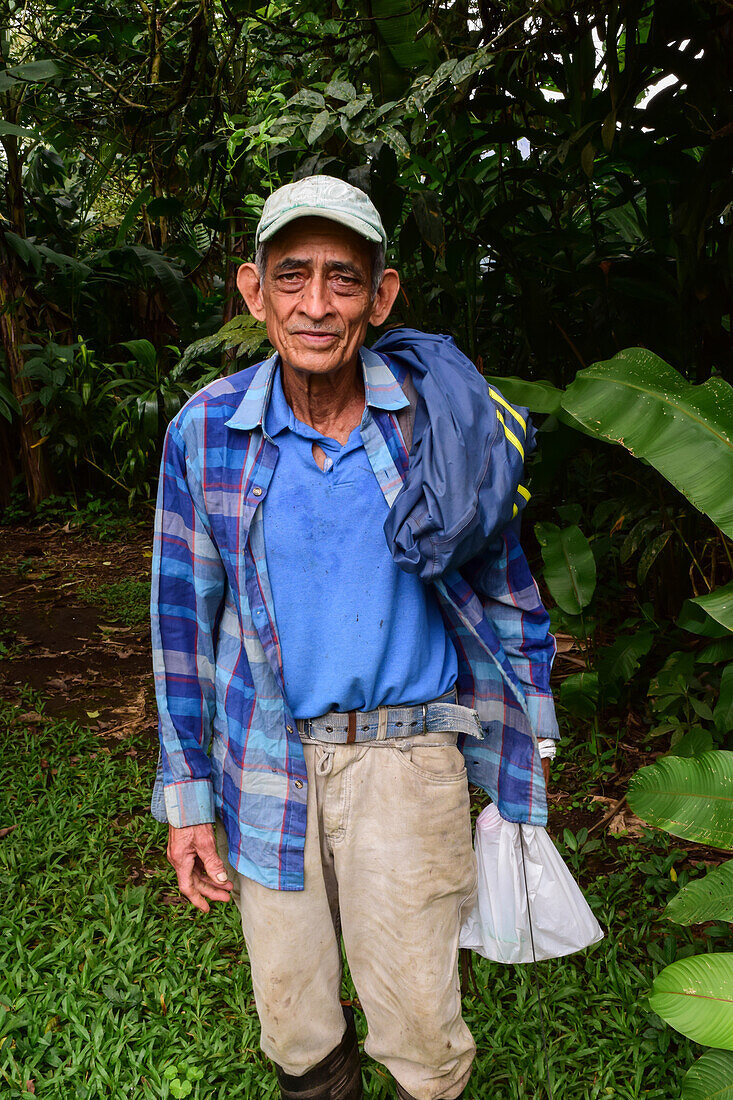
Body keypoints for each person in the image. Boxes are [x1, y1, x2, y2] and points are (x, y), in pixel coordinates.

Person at [150, 175, 560, 1100]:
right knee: (293, 1020)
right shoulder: (207, 430)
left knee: (419, 1025)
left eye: (344, 279)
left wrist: (524, 763)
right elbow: (180, 626)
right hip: (266, 757)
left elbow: (507, 599)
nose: (317, 304)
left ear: (381, 297)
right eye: (290, 276)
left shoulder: (435, 421)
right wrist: (187, 803)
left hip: (407, 762)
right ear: (253, 292)